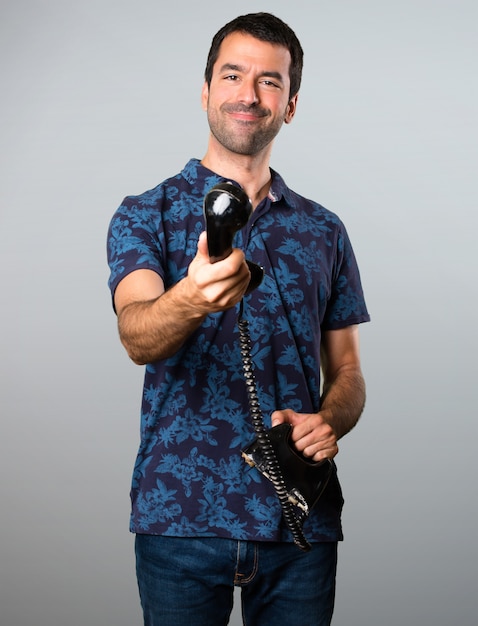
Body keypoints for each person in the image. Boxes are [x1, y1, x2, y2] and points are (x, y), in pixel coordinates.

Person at [107, 12, 370, 626]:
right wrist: (193, 296)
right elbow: (137, 335)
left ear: (291, 104)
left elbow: (350, 370)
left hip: (299, 517)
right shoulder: (145, 214)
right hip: (180, 520)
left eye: (269, 81)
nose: (248, 95)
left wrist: (329, 418)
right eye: (232, 75)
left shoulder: (324, 230)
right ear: (205, 92)